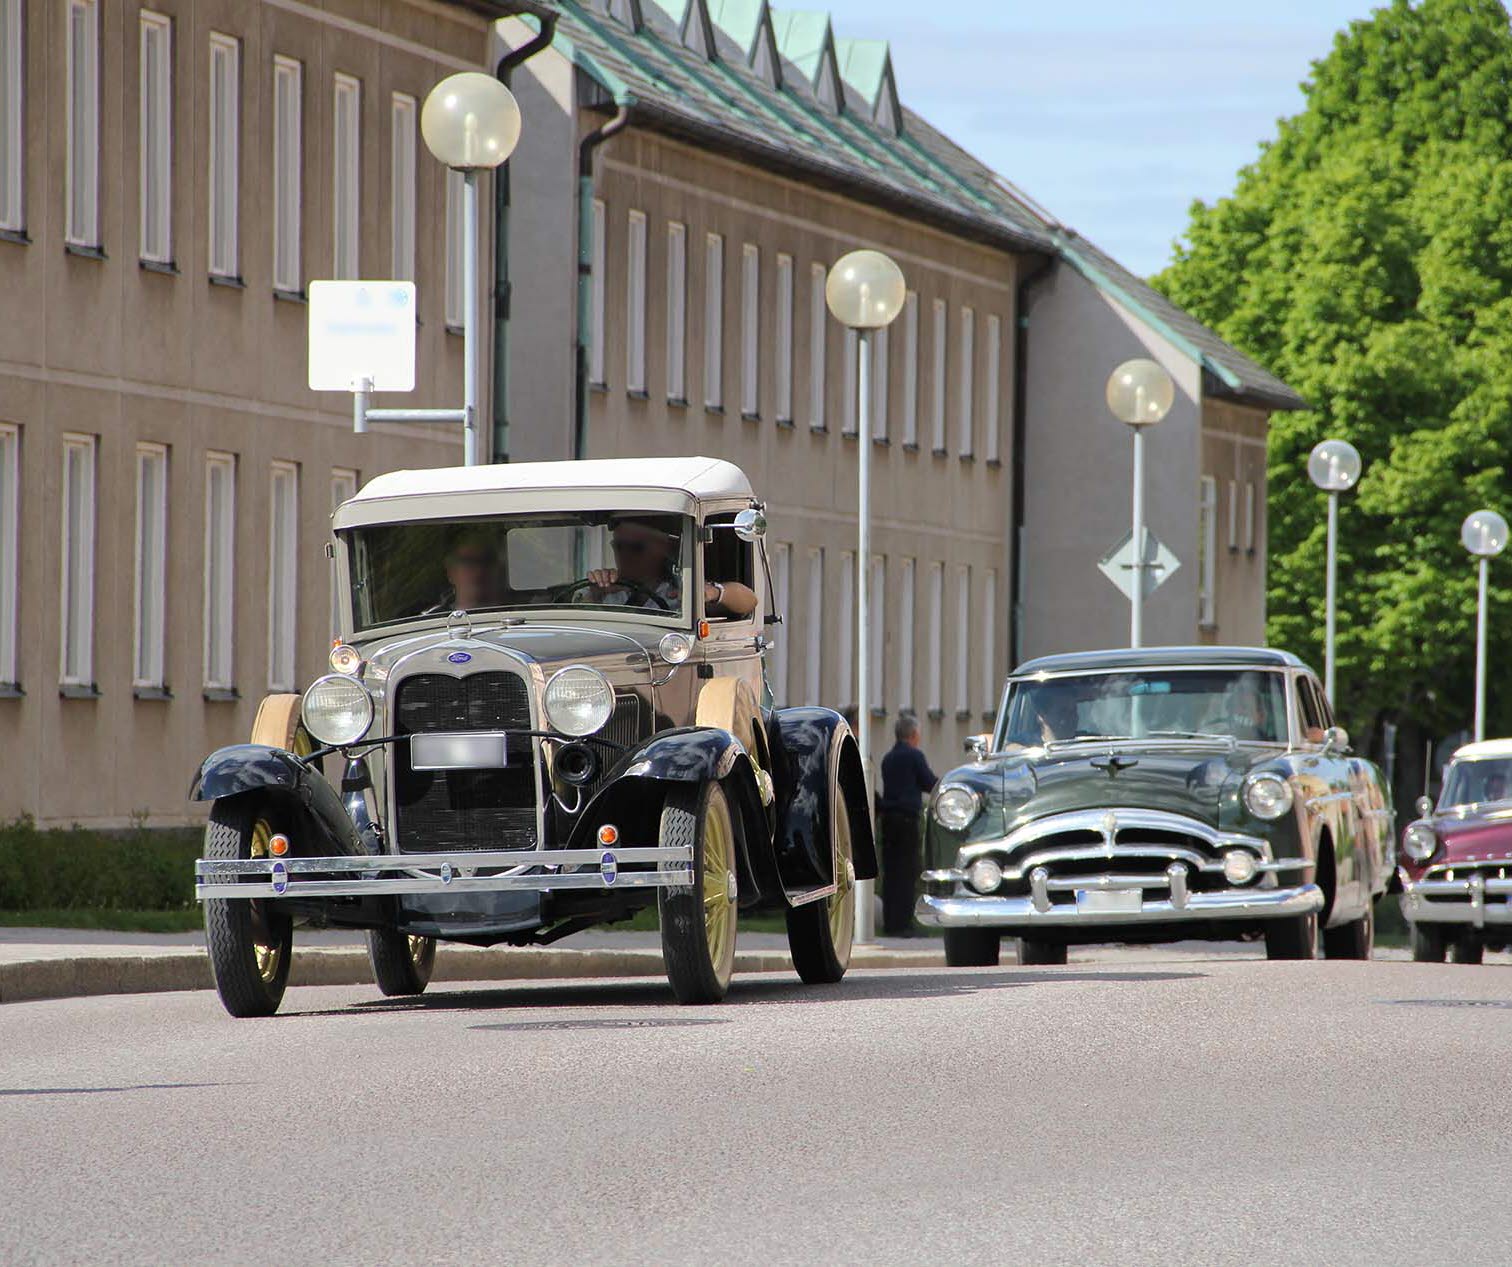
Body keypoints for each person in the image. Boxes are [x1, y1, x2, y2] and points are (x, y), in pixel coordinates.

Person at [585, 515, 758, 617]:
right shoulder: (609, 589)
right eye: (619, 546)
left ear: (662, 549)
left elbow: (749, 600)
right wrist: (595, 593)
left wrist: (712, 592)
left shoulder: (679, 589)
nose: (625, 555)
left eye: (636, 548)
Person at [879, 713, 938, 937]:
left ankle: (890, 923)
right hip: (906, 820)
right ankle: (903, 925)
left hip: (888, 819)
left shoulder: (888, 758)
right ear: (913, 735)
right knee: (906, 873)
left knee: (891, 873)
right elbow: (928, 782)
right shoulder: (914, 756)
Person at [430, 530, 505, 613]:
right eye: (469, 562)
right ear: (451, 572)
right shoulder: (432, 621)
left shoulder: (517, 614)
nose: (479, 571)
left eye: (487, 561)